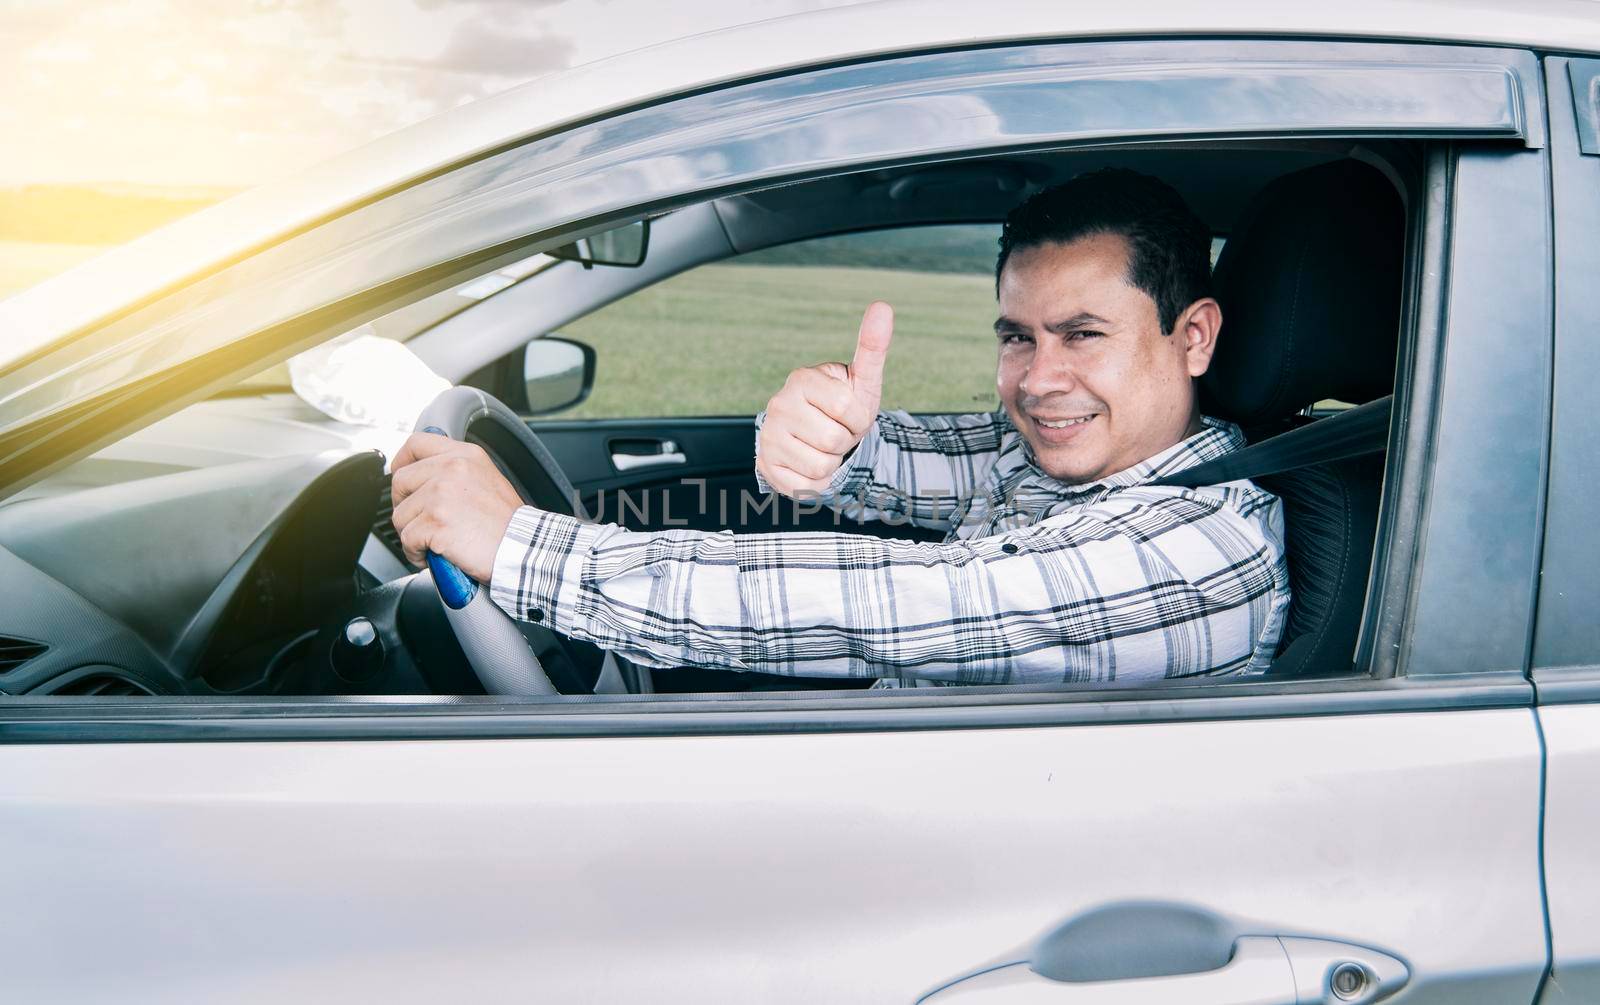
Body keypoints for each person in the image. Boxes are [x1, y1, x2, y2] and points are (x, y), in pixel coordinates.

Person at [389, 169, 1289, 685]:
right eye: (1017, 337)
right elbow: (899, 459)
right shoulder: (1070, 458)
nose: (1039, 382)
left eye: (1083, 335)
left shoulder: (1203, 545)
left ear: (1194, 335)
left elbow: (895, 604)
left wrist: (523, 548)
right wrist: (823, 436)